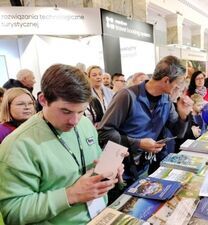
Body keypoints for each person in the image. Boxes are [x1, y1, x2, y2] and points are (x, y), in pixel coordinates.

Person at [0, 64, 123, 225]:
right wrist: (71, 195)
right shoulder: (17, 145)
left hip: (101, 216)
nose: (74, 121)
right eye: (65, 111)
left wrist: (108, 169)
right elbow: (12, 212)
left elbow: (93, 157)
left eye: (81, 111)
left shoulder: (85, 124)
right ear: (43, 100)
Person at [98, 55, 193, 187]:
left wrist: (183, 116)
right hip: (116, 168)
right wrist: (138, 143)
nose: (179, 87)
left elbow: (178, 133)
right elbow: (104, 132)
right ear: (166, 80)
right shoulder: (127, 96)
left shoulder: (166, 100)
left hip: (142, 167)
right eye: (178, 83)